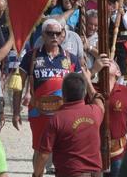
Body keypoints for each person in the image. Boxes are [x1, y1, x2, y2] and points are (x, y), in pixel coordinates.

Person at [13, 17, 86, 151]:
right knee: (40, 150)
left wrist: (81, 112)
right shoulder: (31, 56)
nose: (54, 36)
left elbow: (81, 88)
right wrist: (16, 112)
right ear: (43, 35)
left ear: (62, 35)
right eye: (50, 33)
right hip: (38, 111)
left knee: (64, 149)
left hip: (64, 112)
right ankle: (38, 173)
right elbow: (18, 85)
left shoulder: (70, 58)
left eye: (57, 33)